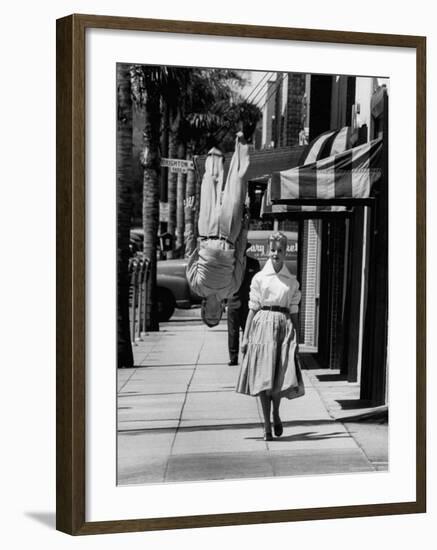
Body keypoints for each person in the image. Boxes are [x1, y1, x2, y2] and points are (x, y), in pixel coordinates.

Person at [236, 232, 304, 441]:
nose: (276, 254)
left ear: (285, 252)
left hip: (283, 329)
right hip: (261, 329)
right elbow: (252, 309)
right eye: (273, 250)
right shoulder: (259, 279)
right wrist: (245, 338)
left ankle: (276, 413)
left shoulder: (291, 282)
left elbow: (294, 313)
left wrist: (297, 340)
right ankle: (266, 425)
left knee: (278, 378)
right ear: (268, 251)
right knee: (263, 381)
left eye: (280, 250)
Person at [184, 132, 250, 327]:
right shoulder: (232, 289)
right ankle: (242, 142)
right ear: (222, 311)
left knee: (210, 180)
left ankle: (214, 144)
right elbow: (240, 257)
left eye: (209, 317)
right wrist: (245, 228)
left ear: (203, 311)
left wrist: (189, 216)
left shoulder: (196, 286)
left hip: (206, 230)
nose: (214, 315)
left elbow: (190, 254)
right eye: (216, 318)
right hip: (230, 234)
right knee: (236, 185)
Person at [227, 244, 260, 365]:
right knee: (233, 332)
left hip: (248, 303)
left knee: (248, 330)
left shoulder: (254, 263)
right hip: (233, 301)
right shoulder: (230, 264)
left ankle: (247, 355)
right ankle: (233, 358)